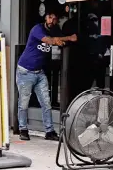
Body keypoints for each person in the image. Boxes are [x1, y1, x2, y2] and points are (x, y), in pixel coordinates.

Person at [16, 11, 77, 141]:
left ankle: (49, 131)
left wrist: (67, 38)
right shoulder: (37, 29)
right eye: (50, 18)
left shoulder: (55, 30)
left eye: (54, 19)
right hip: (25, 71)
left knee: (46, 102)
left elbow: (61, 38)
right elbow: (48, 40)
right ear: (45, 18)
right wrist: (65, 39)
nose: (51, 21)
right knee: (24, 103)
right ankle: (23, 129)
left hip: (39, 72)